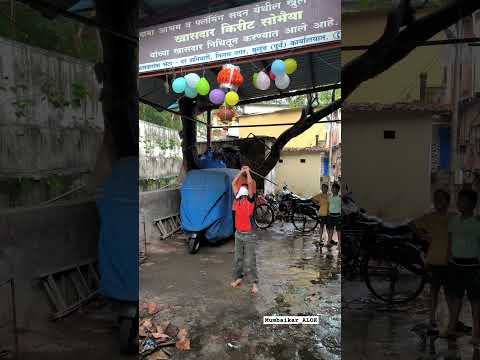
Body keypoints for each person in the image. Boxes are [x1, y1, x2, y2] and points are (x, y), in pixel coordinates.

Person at [443, 189, 480, 344]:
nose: (459, 203)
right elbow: (450, 241)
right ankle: (452, 327)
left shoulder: (478, 222)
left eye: (463, 200)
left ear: (472, 203)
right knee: (456, 298)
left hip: (473, 265)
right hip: (456, 264)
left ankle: (477, 334)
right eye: (458, 200)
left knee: (475, 301)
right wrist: (449, 258)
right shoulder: (454, 220)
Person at [413, 189, 452, 335]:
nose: (437, 202)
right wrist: (425, 237)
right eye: (435, 199)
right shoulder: (430, 217)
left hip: (449, 260)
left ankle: (452, 320)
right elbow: (414, 224)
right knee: (434, 291)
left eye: (440, 199)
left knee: (450, 293)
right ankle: (432, 320)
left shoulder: (452, 218)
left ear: (447, 202)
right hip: (434, 260)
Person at [230, 166, 258, 295]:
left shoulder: (250, 201)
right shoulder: (237, 199)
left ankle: (254, 283)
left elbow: (251, 183)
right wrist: (241, 172)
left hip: (249, 235)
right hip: (238, 234)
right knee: (238, 258)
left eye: (245, 188)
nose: (242, 188)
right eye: (242, 187)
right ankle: (238, 278)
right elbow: (233, 183)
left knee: (250, 260)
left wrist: (247, 172)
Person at [312, 183, 330, 250]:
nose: (323, 189)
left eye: (324, 188)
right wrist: (317, 203)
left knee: (328, 227)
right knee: (321, 227)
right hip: (322, 214)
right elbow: (312, 199)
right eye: (322, 188)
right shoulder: (319, 195)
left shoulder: (329, 196)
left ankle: (329, 240)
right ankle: (320, 239)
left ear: (327, 189)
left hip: (328, 214)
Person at [327, 182, 342, 249]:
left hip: (338, 216)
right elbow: (329, 205)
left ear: (338, 190)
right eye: (332, 188)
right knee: (331, 229)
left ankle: (339, 244)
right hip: (331, 215)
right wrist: (328, 213)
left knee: (339, 230)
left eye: (335, 188)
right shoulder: (330, 197)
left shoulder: (340, 197)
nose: (333, 189)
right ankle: (329, 242)